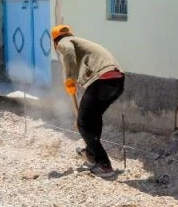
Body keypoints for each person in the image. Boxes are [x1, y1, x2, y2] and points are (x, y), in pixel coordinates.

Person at [52, 24, 125, 178]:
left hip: (102, 80)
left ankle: (104, 165)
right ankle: (91, 154)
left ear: (55, 42)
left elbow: (68, 53)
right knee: (93, 118)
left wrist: (69, 79)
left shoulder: (64, 42)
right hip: (117, 81)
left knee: (83, 123)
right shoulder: (80, 43)